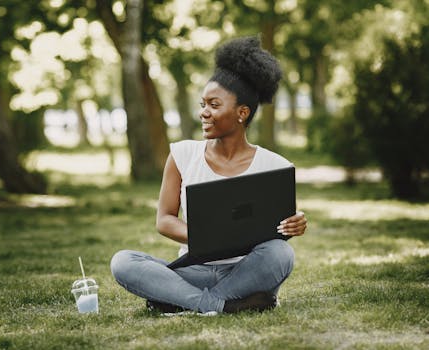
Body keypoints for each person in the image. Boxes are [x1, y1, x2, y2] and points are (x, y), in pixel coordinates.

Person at [110, 36, 307, 315]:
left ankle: (181, 301)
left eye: (214, 105)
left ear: (242, 113)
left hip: (246, 270)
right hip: (194, 270)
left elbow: (277, 227)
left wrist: (294, 223)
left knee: (282, 253)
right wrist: (206, 239)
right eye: (203, 104)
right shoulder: (182, 155)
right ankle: (223, 305)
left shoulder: (275, 164)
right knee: (123, 262)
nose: (204, 112)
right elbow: (164, 220)